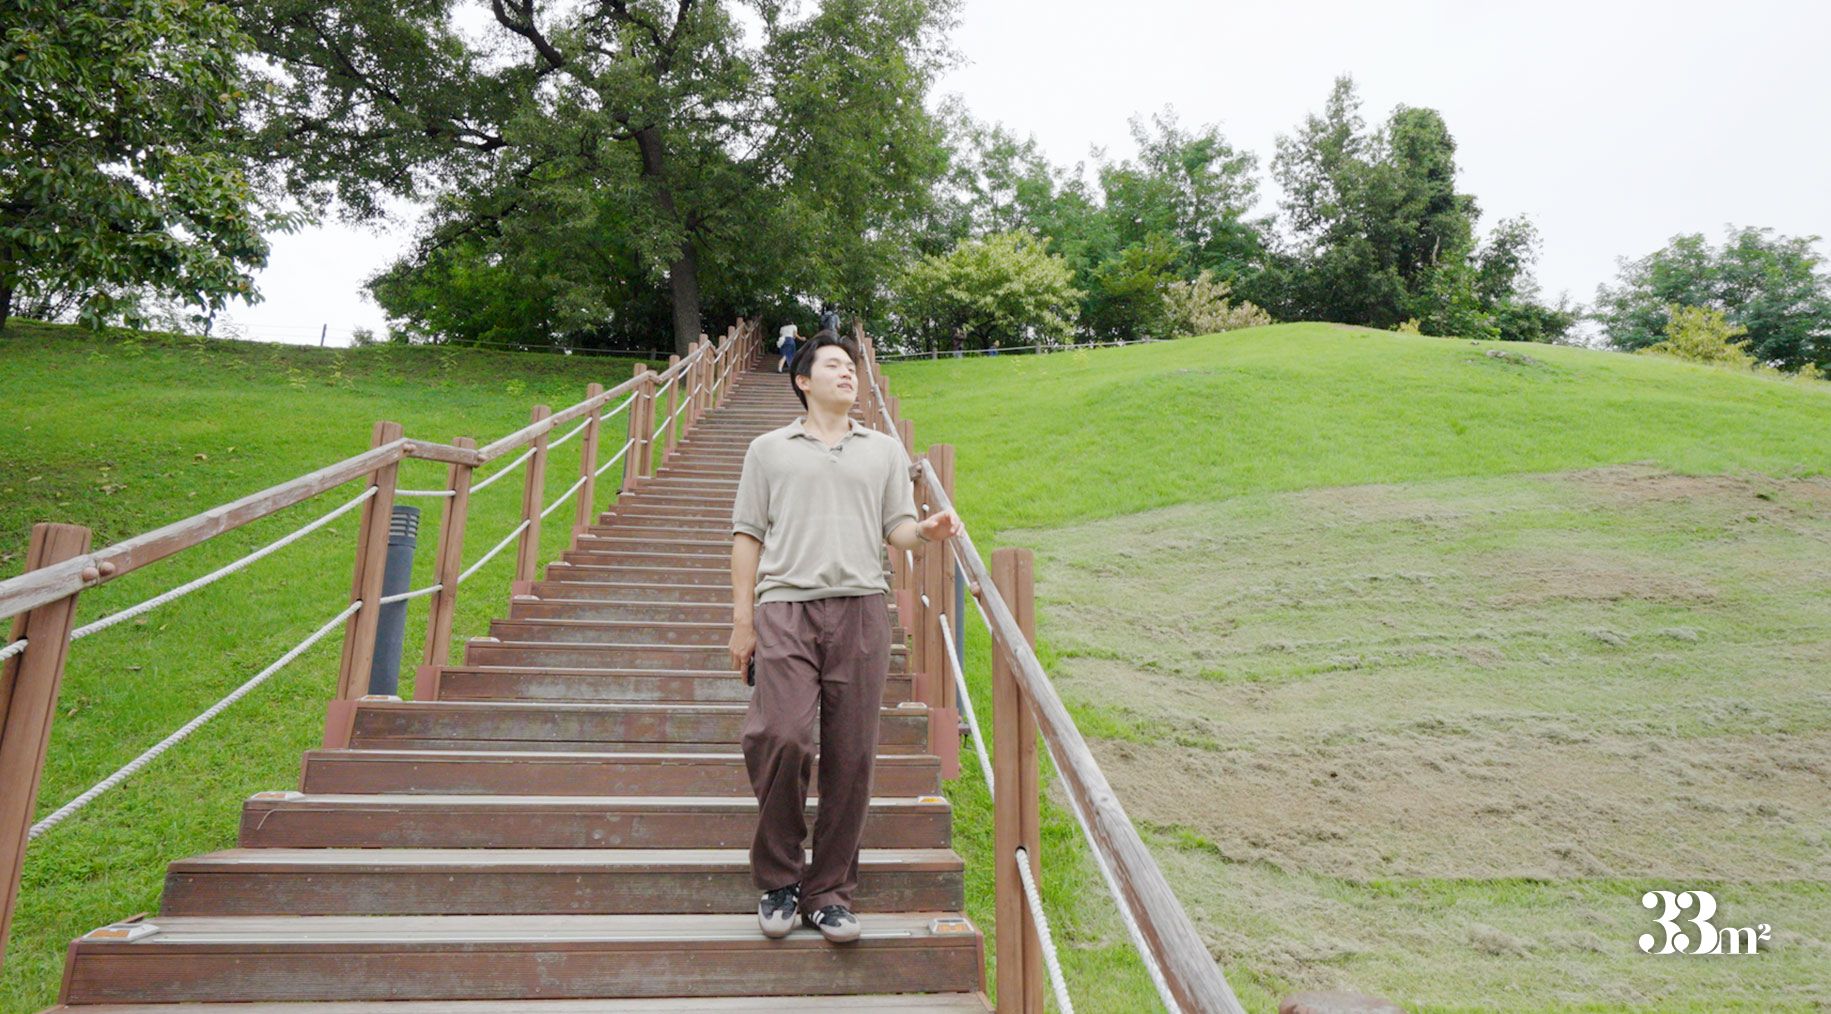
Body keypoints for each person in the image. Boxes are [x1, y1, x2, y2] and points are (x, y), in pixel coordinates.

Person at [729, 330, 963, 945]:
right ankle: (780, 877)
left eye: (851, 366)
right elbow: (747, 535)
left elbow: (900, 530)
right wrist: (742, 621)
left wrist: (929, 531)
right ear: (802, 380)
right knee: (779, 735)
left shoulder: (883, 450)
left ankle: (828, 891)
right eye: (832, 365)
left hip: (861, 608)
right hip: (784, 607)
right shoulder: (768, 450)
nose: (847, 373)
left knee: (852, 754)